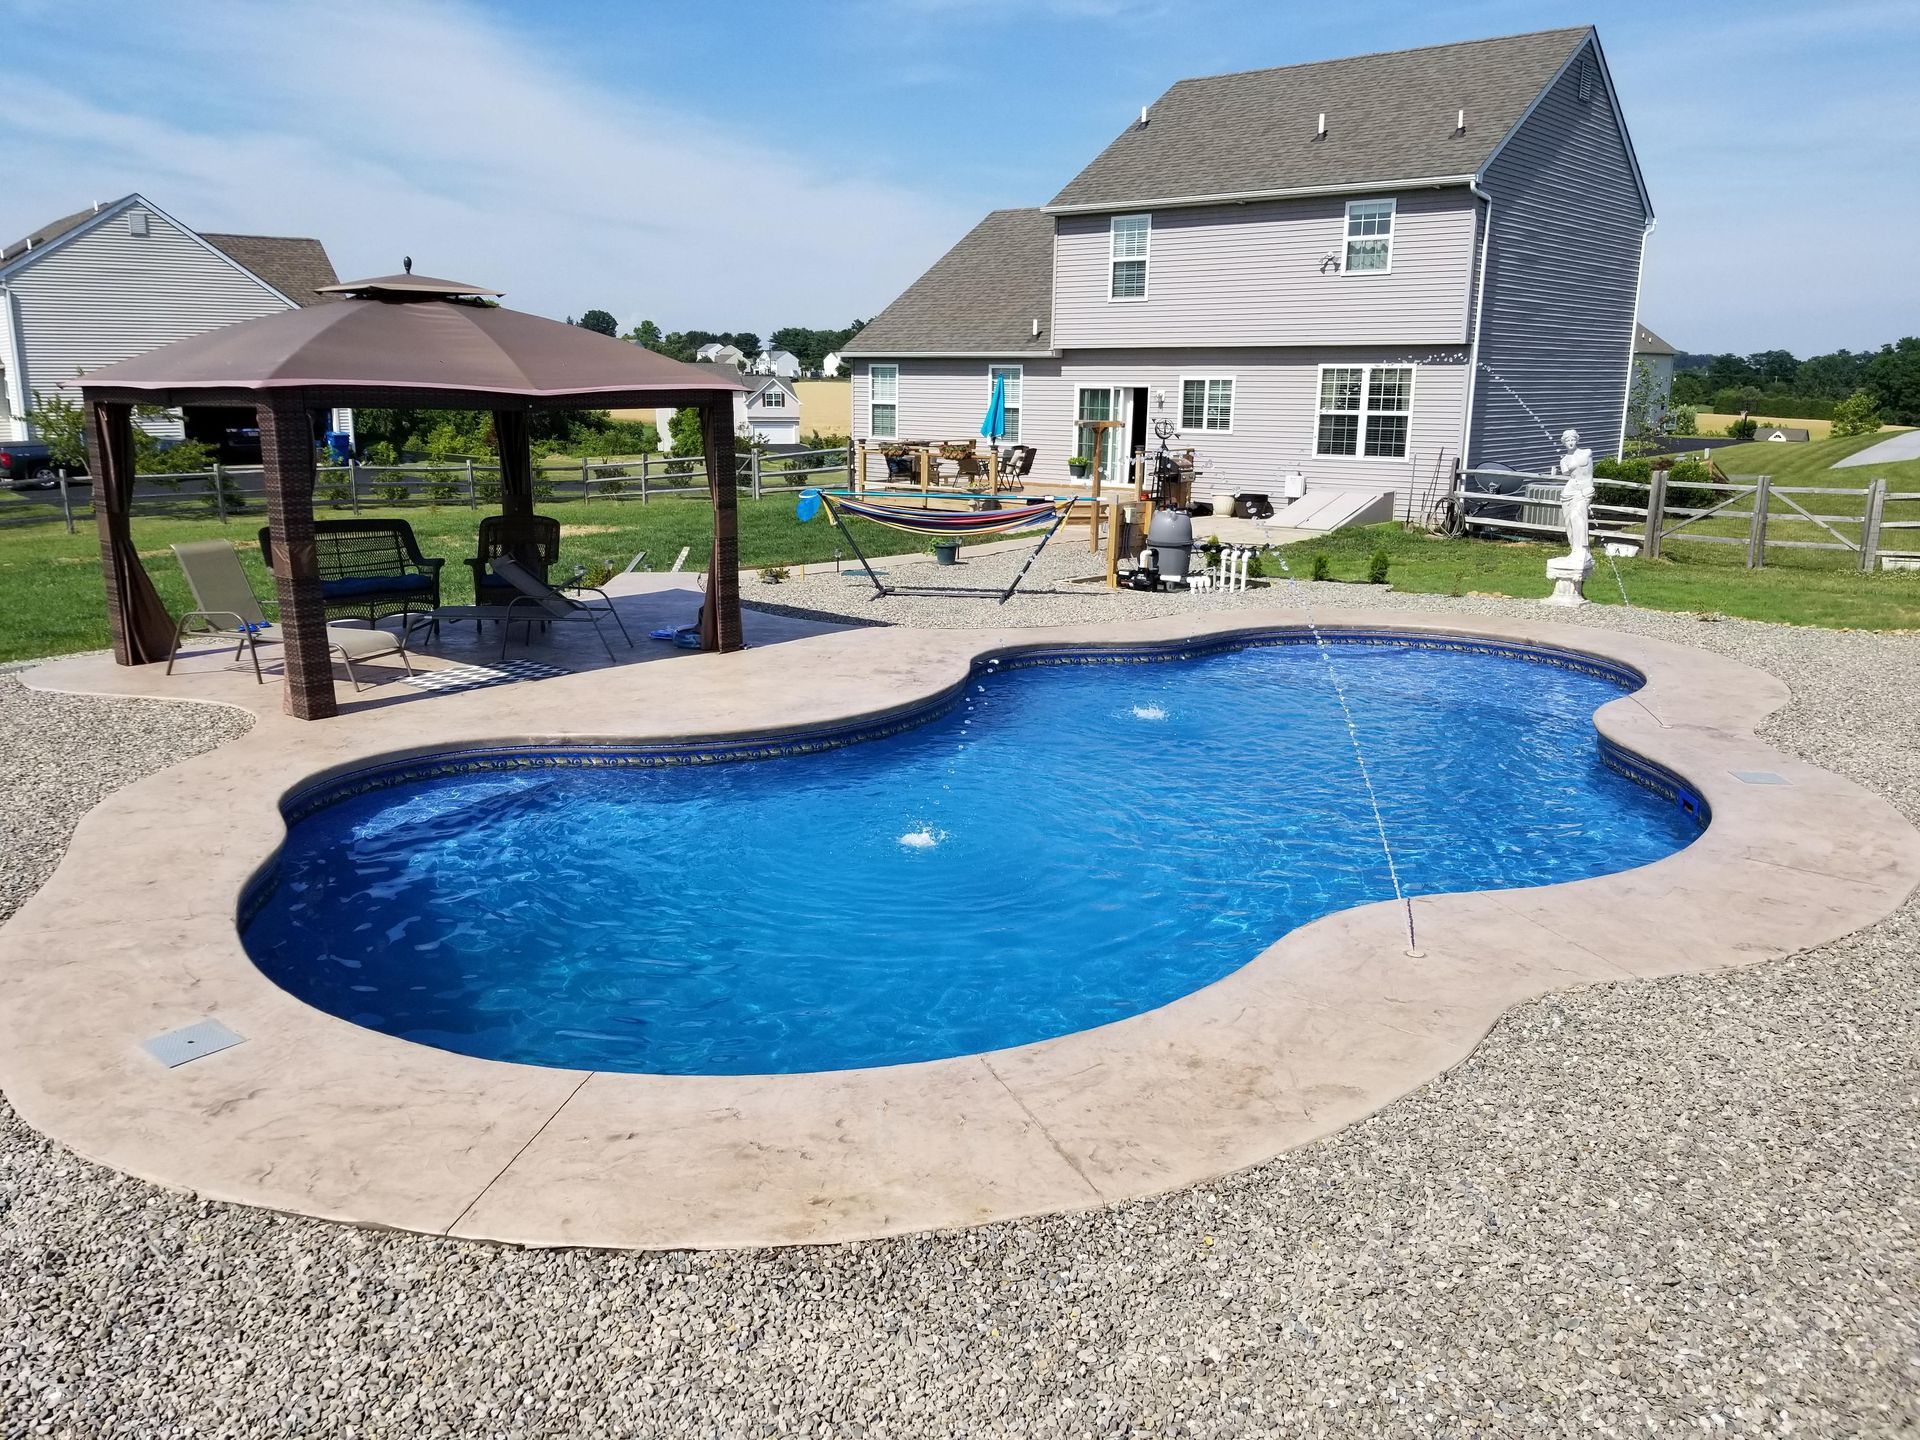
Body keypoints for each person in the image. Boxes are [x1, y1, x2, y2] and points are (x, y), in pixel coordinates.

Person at [1556, 427, 1595, 563]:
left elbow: (1585, 469)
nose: (1571, 442)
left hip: (1585, 490)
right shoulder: (1564, 460)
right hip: (1569, 492)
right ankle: (1574, 549)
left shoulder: (1587, 453)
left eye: (1573, 439)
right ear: (1564, 443)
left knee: (1577, 516)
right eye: (1567, 440)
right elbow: (1566, 472)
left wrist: (1589, 488)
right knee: (1569, 522)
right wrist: (1569, 465)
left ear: (1577, 439)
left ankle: (1583, 549)